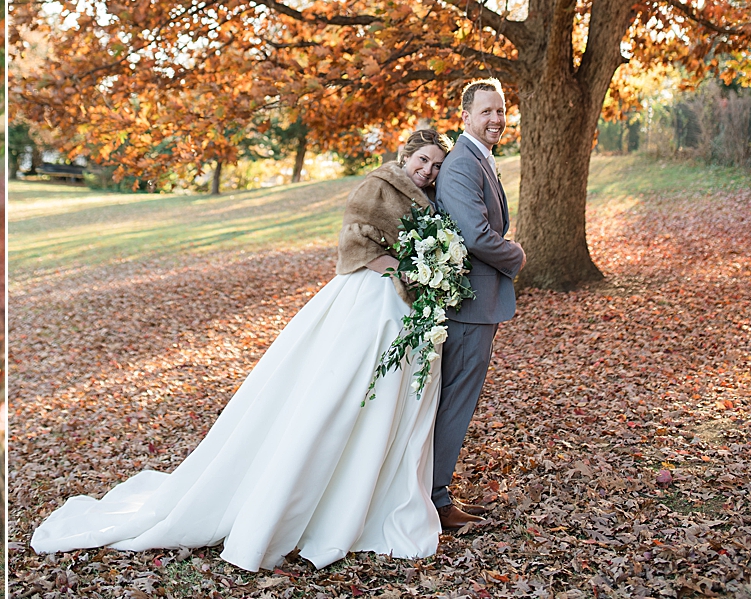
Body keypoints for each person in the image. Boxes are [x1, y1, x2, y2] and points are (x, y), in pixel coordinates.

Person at [30, 129, 450, 572]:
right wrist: (407, 269)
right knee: (338, 395)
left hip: (406, 307)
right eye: (422, 160)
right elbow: (356, 245)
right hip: (371, 298)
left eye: (436, 165)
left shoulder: (432, 199)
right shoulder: (376, 186)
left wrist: (427, 272)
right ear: (406, 156)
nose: (428, 170)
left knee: (387, 399)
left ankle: (368, 496)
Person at [430, 78, 524, 529]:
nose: (496, 119)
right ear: (465, 116)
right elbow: (476, 235)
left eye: (500, 110)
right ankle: (435, 498)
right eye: (486, 111)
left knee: (455, 399)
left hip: (476, 303)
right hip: (468, 307)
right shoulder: (464, 163)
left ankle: (435, 489)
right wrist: (517, 255)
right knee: (455, 402)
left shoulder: (479, 157)